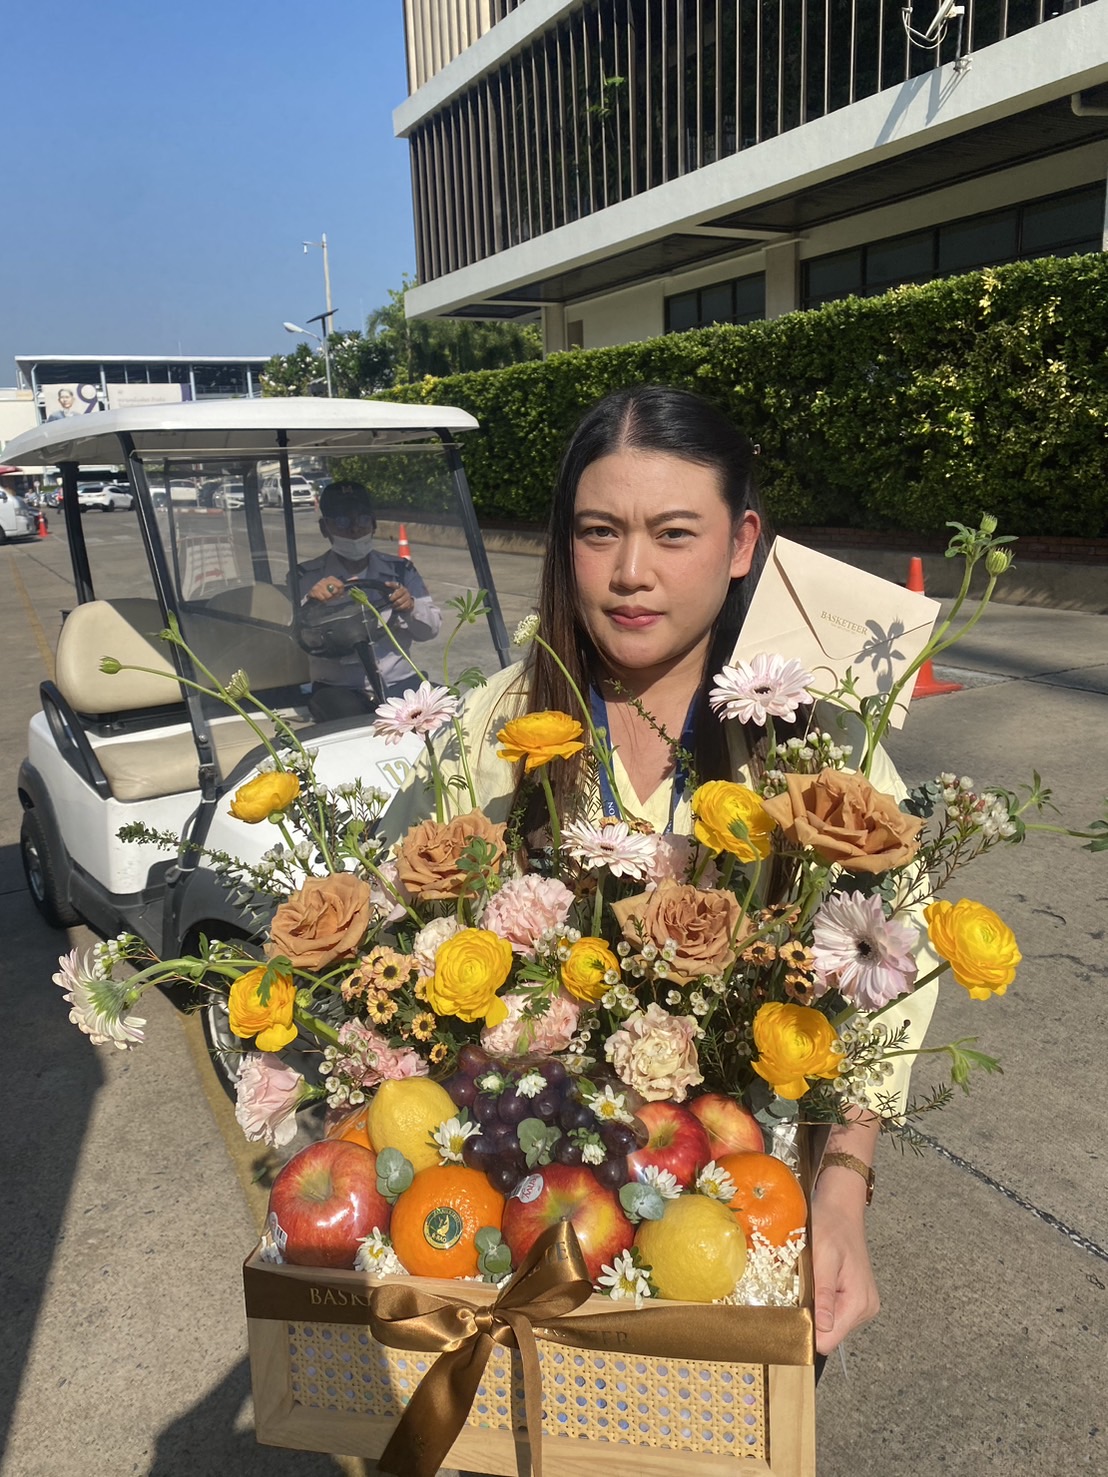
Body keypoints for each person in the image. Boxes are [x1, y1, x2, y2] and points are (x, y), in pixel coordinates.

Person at [383, 385, 936, 1359]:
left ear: (739, 542)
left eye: (673, 533)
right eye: (599, 532)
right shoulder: (493, 730)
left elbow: (880, 985)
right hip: (523, 1221)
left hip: (731, 1223)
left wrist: (839, 1197)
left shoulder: (813, 750)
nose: (630, 573)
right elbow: (405, 953)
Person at [296, 480, 442, 721]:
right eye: (342, 522)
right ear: (325, 528)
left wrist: (411, 607)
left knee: (447, 715)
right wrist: (313, 604)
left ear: (373, 524)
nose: (354, 529)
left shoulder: (401, 571)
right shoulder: (307, 578)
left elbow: (431, 630)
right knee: (349, 724)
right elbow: (299, 637)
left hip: (399, 682)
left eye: (362, 520)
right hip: (339, 690)